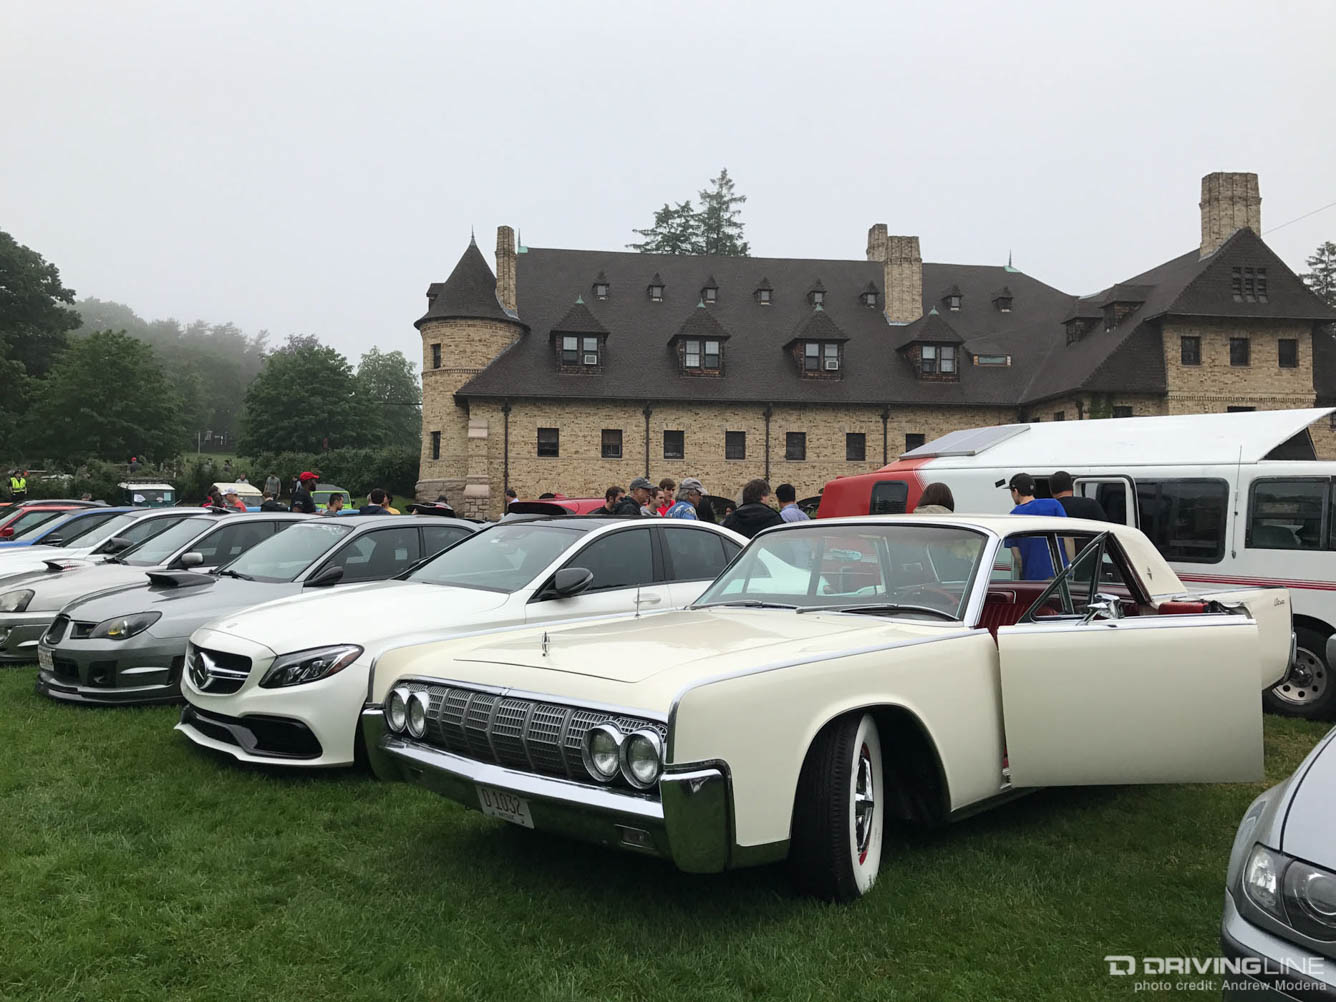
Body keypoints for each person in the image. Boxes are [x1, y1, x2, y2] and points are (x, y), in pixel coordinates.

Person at [1003, 473, 1066, 580]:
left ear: (1016, 491)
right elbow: (1068, 538)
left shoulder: (1013, 516)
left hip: (1033, 577)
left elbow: (1018, 557)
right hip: (1060, 572)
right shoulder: (1054, 504)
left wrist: (1024, 572)